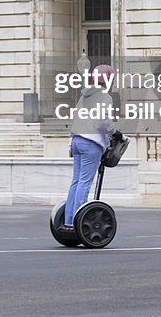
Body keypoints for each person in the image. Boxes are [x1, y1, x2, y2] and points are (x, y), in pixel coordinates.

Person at [60, 64, 121, 235]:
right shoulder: (104, 97)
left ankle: (68, 221)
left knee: (76, 181)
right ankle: (77, 222)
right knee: (85, 183)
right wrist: (114, 132)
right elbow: (102, 122)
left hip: (77, 140)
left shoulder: (84, 96)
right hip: (91, 143)